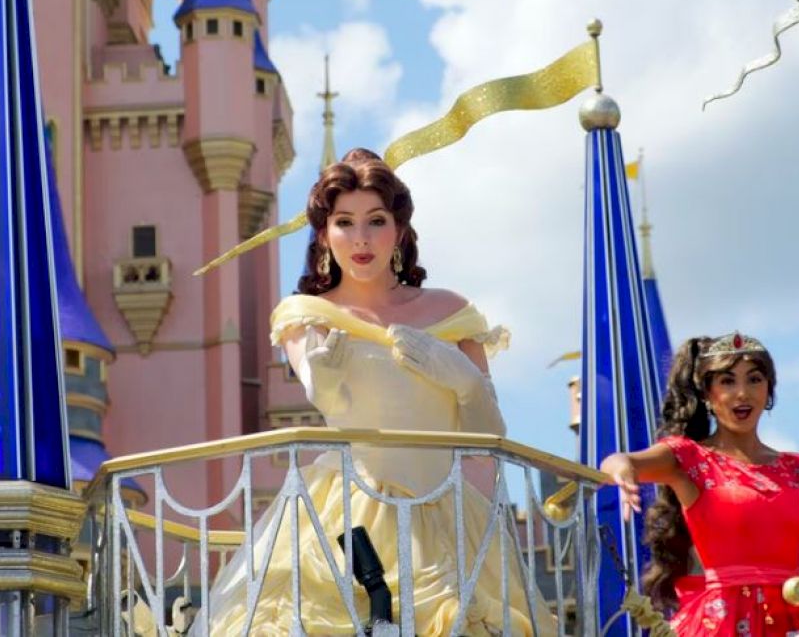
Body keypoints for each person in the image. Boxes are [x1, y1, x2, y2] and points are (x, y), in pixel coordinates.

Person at [201, 148, 553, 636]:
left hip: (444, 517)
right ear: (324, 234)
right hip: (346, 515)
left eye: (376, 220)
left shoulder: (451, 313)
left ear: (400, 230)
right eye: (344, 222)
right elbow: (328, 399)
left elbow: (487, 434)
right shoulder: (306, 316)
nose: (361, 239)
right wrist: (324, 376)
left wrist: (465, 382)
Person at [599, 334, 799, 637]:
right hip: (721, 624)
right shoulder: (689, 458)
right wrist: (623, 471)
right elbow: (620, 460)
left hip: (793, 623)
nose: (742, 393)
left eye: (755, 379)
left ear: (769, 390)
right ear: (707, 394)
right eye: (727, 382)